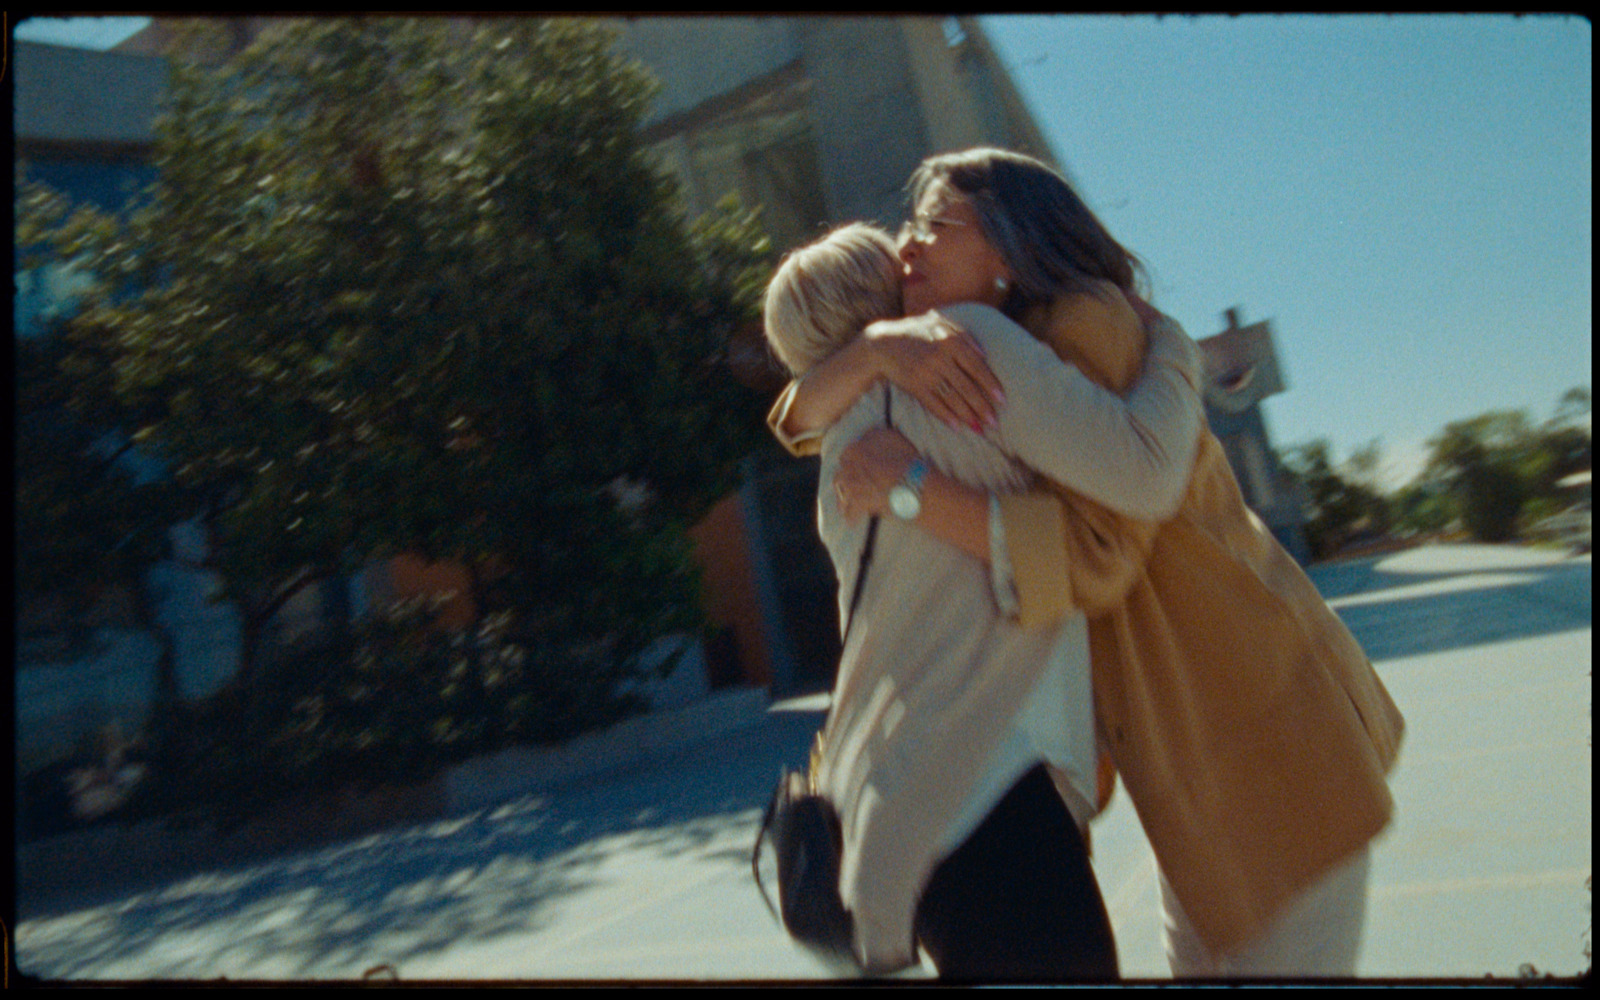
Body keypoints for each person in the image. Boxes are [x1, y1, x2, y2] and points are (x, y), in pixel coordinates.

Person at [770, 147, 1405, 979]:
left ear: (1006, 247)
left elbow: (1103, 548)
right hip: (1204, 767)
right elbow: (798, 414)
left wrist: (912, 486)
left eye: (932, 226)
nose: (907, 248)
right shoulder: (964, 357)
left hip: (1261, 742)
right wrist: (876, 348)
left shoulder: (1084, 331)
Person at [761, 220, 1202, 981]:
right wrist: (1170, 348)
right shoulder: (955, 359)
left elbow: (795, 416)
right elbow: (1110, 503)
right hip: (985, 790)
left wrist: (864, 357)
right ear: (887, 291)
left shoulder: (839, 441)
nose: (914, 249)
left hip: (896, 808)